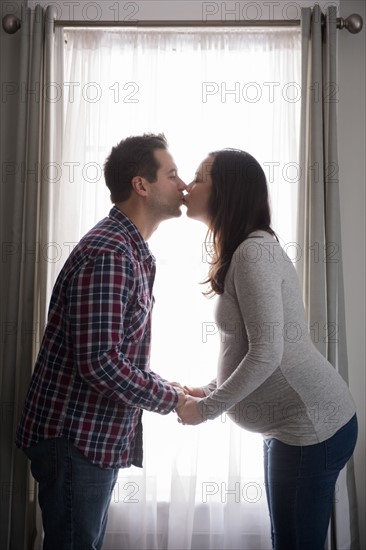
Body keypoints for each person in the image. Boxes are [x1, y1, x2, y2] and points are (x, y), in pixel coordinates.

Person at [176, 148, 358, 550]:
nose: (188, 186)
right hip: (291, 428)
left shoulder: (253, 253)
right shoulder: (246, 250)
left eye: (198, 178)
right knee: (286, 540)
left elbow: (268, 352)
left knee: (293, 544)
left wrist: (206, 410)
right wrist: (209, 388)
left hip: (312, 427)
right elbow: (250, 346)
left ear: (226, 191)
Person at [15, 133, 187, 550]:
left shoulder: (130, 249)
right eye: (173, 174)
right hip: (74, 439)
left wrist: (173, 387)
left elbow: (116, 352)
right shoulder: (112, 253)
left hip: (88, 438)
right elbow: (100, 363)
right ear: (141, 185)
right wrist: (174, 400)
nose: (183, 185)